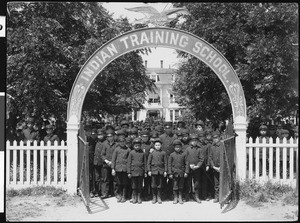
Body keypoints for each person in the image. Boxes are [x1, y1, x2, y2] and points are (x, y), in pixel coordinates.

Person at [184, 133, 205, 203]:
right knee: (188, 182)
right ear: (190, 142)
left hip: (197, 169)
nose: (194, 142)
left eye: (195, 141)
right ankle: (187, 195)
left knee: (196, 182)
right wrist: (189, 165)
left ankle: (196, 195)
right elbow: (185, 158)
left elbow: (202, 159)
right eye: (192, 141)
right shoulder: (187, 149)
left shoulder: (199, 149)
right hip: (189, 168)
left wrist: (197, 166)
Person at [111, 132, 131, 203]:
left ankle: (124, 196)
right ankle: (119, 195)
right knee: (119, 183)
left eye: (123, 142)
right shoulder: (116, 149)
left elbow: (129, 161)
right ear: (119, 142)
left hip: (125, 169)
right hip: (118, 169)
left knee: (125, 183)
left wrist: (129, 171)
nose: (122, 143)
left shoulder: (128, 150)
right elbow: (113, 159)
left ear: (125, 142)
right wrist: (113, 169)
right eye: (120, 142)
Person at [147, 138, 167, 204]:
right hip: (153, 171)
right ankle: (154, 197)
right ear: (154, 146)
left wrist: (165, 171)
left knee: (160, 185)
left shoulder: (163, 153)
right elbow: (148, 162)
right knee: (153, 184)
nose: (157, 146)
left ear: (161, 145)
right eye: (156, 145)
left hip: (161, 171)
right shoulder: (152, 153)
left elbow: (165, 163)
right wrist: (149, 170)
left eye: (159, 145)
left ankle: (159, 197)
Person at [168, 139, 189, 204]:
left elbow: (187, 163)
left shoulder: (184, 154)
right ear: (174, 148)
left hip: (182, 172)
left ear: (181, 147)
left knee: (181, 186)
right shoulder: (172, 155)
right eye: (176, 147)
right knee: (175, 185)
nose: (178, 148)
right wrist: (170, 173)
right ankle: (175, 197)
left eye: (179, 147)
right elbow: (169, 164)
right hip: (174, 173)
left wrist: (186, 172)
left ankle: (180, 197)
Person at [127, 137, 147, 204]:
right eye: (136, 146)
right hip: (133, 171)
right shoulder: (131, 153)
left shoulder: (143, 153)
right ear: (133, 146)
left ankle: (139, 197)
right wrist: (129, 172)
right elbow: (129, 163)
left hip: (140, 171)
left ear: (140, 146)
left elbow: (145, 163)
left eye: (138, 146)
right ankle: (134, 197)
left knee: (140, 185)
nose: (137, 147)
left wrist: (145, 172)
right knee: (134, 185)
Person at [100, 129, 118, 198]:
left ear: (113, 136)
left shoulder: (116, 144)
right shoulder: (105, 144)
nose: (110, 138)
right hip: (106, 164)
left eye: (111, 136)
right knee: (105, 179)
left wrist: (112, 162)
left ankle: (115, 193)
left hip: (114, 164)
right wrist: (106, 161)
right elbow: (102, 154)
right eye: (108, 136)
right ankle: (105, 193)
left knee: (115, 180)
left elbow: (117, 154)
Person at [207, 130, 222, 203]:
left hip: (222, 168)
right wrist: (213, 166)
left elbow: (225, 157)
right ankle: (217, 197)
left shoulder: (222, 146)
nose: (215, 139)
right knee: (216, 183)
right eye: (214, 138)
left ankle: (223, 196)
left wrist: (221, 167)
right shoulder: (212, 147)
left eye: (216, 138)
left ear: (219, 138)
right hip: (215, 168)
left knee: (223, 182)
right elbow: (210, 157)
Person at [93, 129, 106, 197]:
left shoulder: (105, 142)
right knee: (97, 178)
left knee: (103, 178)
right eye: (98, 135)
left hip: (103, 163)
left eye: (101, 135)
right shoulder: (95, 141)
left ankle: (103, 192)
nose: (100, 136)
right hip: (96, 162)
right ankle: (97, 191)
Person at [140, 129, 152, 201]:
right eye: (143, 137)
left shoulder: (151, 144)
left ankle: (148, 194)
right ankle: (141, 194)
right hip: (141, 165)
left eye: (146, 137)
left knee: (148, 181)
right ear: (141, 137)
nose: (145, 138)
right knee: (140, 181)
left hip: (149, 164)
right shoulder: (139, 144)